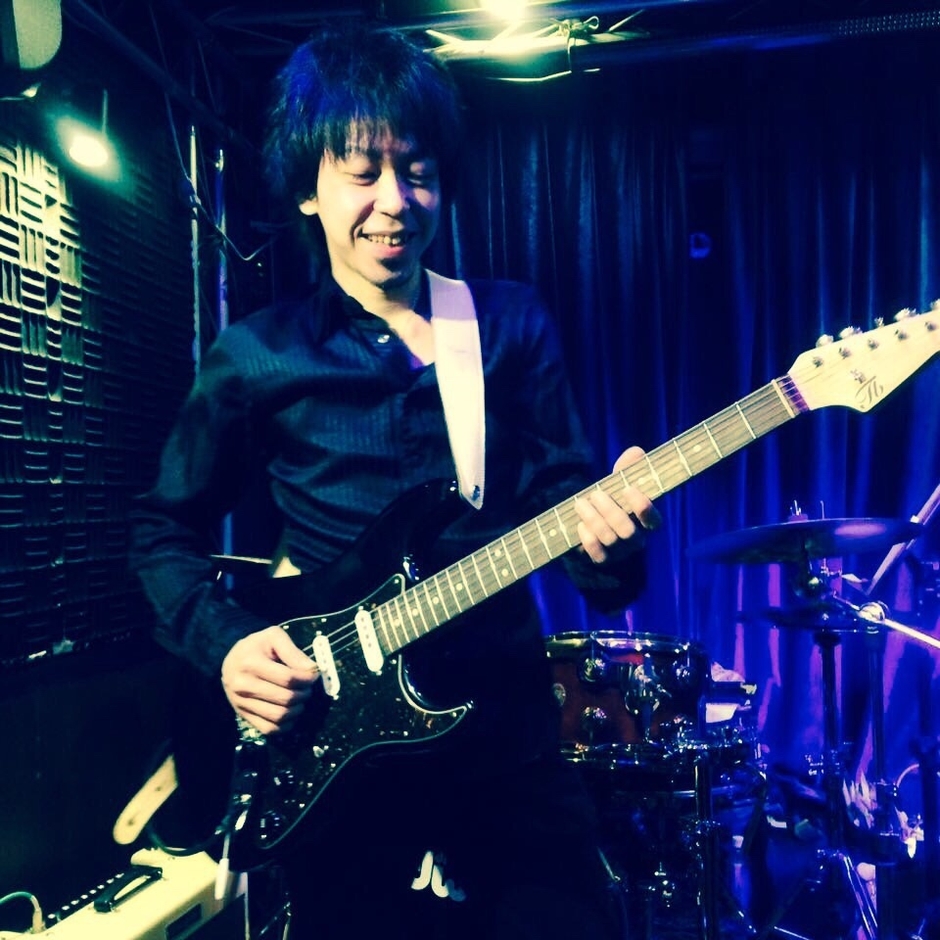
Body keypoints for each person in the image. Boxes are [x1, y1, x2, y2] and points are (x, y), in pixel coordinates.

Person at [129, 20, 661, 940]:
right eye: (362, 172)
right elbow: (161, 531)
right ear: (309, 189)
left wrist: (611, 539)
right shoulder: (255, 356)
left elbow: (578, 534)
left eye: (416, 171)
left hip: (502, 735)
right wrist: (228, 647)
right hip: (337, 753)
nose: (394, 201)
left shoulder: (509, 326)